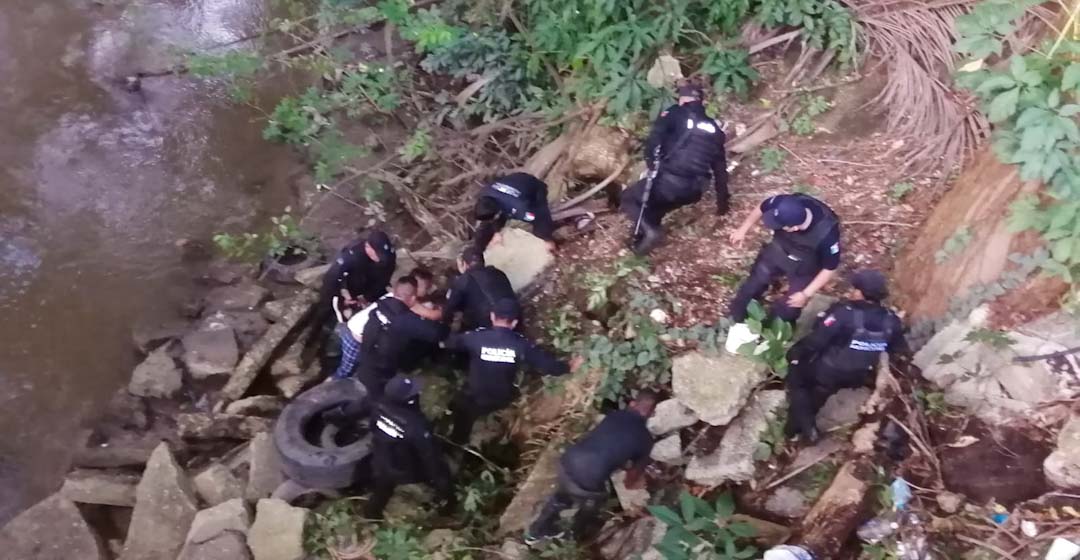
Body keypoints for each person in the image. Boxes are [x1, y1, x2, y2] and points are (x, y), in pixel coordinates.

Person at [784, 270, 908, 444]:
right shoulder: (892, 321)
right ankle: (801, 427)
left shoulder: (845, 313)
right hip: (857, 375)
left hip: (828, 371)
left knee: (797, 378)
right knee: (820, 394)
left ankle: (802, 429)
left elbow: (817, 340)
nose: (851, 291)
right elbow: (897, 347)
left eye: (855, 288)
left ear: (861, 293)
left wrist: (796, 353)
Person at [444, 298, 583, 445]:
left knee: (462, 412)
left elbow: (451, 343)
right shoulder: (520, 344)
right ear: (514, 323)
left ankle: (456, 443)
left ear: (492, 316)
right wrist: (569, 366)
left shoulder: (476, 337)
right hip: (501, 398)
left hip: (474, 395)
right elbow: (549, 366)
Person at [526, 391, 658, 544]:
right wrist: (639, 480)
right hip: (589, 478)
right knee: (595, 502)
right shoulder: (646, 440)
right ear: (652, 413)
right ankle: (573, 536)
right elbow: (629, 483)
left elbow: (604, 441)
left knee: (564, 492)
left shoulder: (614, 415)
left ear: (632, 404)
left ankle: (535, 532)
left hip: (568, 460)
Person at [621, 82, 728, 255]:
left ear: (683, 99)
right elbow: (721, 171)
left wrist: (651, 163)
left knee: (629, 198)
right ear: (701, 101)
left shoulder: (675, 112)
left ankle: (650, 232)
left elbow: (654, 138)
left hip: (671, 180)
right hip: (694, 191)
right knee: (655, 205)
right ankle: (640, 246)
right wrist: (723, 205)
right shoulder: (715, 130)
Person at [727, 193, 842, 323]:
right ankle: (736, 319)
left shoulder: (827, 234)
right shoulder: (787, 203)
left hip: (805, 264)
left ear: (794, 228)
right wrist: (743, 229)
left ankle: (772, 332)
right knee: (753, 284)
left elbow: (830, 268)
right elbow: (763, 206)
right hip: (779, 249)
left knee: (790, 306)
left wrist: (805, 294)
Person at [362, 375, 455, 519]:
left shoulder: (378, 404)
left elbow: (361, 415)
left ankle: (370, 516)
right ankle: (442, 509)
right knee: (438, 472)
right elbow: (432, 460)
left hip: (380, 459)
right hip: (405, 469)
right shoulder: (417, 427)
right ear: (408, 400)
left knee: (382, 490)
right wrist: (445, 489)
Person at [354, 276, 448, 398]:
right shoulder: (404, 320)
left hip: (364, 364)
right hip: (380, 374)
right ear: (413, 298)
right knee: (375, 404)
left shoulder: (382, 305)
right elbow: (438, 333)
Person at [310, 230, 397, 349]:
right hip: (347, 286)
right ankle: (316, 336)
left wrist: (368, 297)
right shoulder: (351, 256)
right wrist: (342, 298)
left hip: (368, 285)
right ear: (368, 247)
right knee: (326, 309)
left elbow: (385, 276)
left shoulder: (388, 256)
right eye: (377, 254)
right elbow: (332, 279)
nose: (380, 258)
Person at [473, 172, 556, 252]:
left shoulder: (519, 208)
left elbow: (540, 217)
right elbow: (492, 218)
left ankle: (549, 240)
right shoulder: (484, 194)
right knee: (485, 228)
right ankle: (477, 252)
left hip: (535, 188)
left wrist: (546, 238)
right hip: (513, 181)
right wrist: (497, 232)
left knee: (539, 222)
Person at [443, 247, 518, 332]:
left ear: (465, 264)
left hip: (487, 325)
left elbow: (449, 310)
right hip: (513, 317)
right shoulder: (498, 272)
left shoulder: (462, 281)